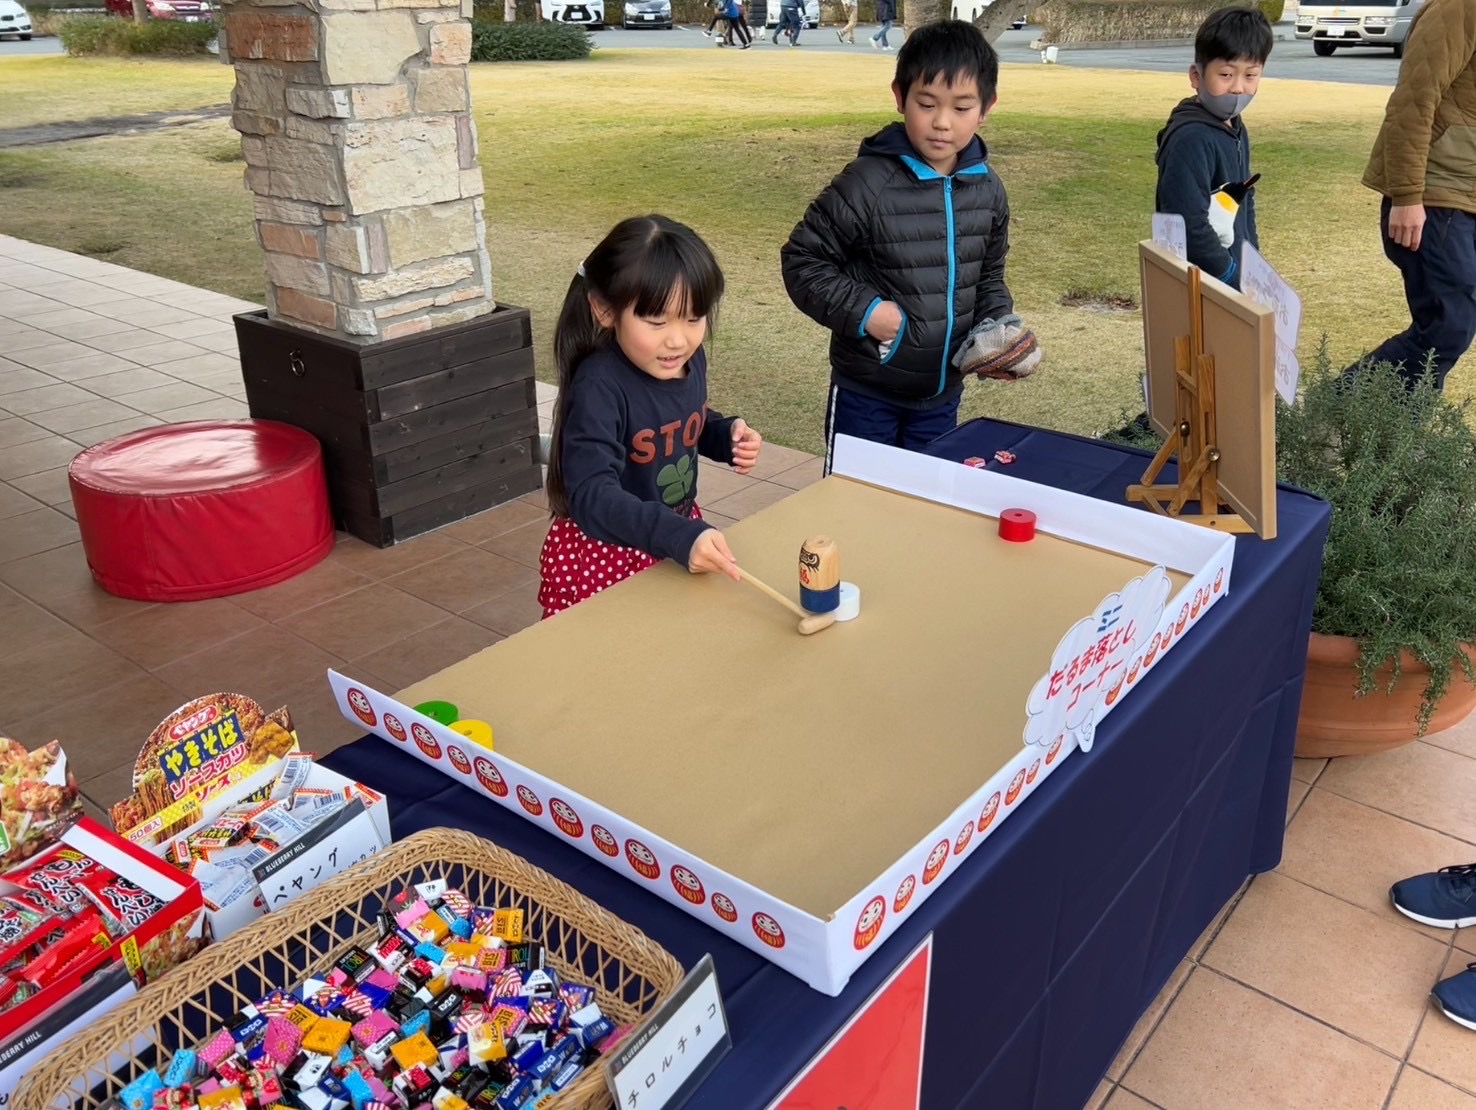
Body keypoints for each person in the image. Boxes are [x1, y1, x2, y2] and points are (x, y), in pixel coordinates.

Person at [781, 21, 1026, 469]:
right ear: (900, 96)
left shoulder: (989, 190)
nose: (941, 122)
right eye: (926, 103)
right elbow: (802, 261)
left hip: (942, 398)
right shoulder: (866, 183)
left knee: (925, 508)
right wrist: (868, 312)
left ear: (986, 108)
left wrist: (997, 330)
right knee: (856, 506)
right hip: (866, 394)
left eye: (962, 107)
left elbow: (988, 276)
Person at [539, 215, 764, 618]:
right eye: (657, 322)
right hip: (605, 553)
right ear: (605, 310)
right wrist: (675, 535)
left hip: (671, 533)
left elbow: (679, 418)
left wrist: (722, 434)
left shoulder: (687, 362)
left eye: (693, 318)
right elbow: (592, 496)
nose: (678, 340)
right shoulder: (599, 387)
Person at [1353, 0, 1476, 391]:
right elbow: (1413, 100)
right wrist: (1407, 196)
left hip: (1466, 195)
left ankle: (1398, 440)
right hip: (1434, 194)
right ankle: (1335, 407)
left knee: (1449, 329)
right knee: (1447, 326)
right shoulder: (1458, 8)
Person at [1154, 6, 1272, 291]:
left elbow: (1245, 201)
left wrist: (1253, 264)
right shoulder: (1191, 139)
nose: (1238, 88)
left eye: (1250, 76)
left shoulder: (1235, 127)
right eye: (1226, 75)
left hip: (1235, 274)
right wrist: (1231, 275)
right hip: (1204, 285)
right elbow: (1188, 224)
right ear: (1197, 76)